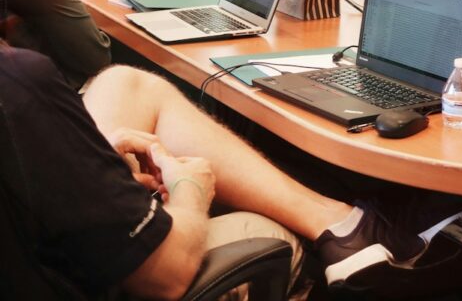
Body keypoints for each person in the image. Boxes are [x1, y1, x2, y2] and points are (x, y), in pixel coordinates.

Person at [0, 44, 438, 298]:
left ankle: (339, 221)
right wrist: (192, 188)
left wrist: (86, 159)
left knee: (124, 83)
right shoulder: (18, 81)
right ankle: (339, 229)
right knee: (270, 231)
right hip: (94, 281)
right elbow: (165, 274)